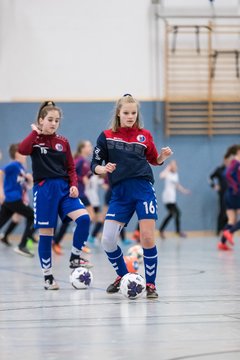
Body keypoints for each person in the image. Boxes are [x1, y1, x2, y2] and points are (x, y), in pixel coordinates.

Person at [91, 94, 173, 298]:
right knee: (108, 240)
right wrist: (103, 168)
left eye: (133, 113)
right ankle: (124, 276)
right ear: (118, 113)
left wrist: (163, 156)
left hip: (143, 188)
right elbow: (95, 165)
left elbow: (154, 159)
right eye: (126, 113)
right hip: (120, 193)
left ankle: (151, 285)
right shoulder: (106, 136)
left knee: (147, 237)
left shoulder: (144, 135)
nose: (130, 116)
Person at [18, 101, 91, 290]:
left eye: (56, 120)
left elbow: (70, 167)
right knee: (46, 235)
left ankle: (75, 258)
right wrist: (35, 132)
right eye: (50, 119)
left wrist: (74, 185)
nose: (53, 123)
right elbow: (22, 150)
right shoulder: (34, 140)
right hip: (44, 191)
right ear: (41, 120)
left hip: (65, 189)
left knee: (84, 219)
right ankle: (48, 276)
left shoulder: (63, 142)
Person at [52, 140, 93, 255]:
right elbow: (71, 172)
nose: (91, 148)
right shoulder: (79, 160)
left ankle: (78, 240)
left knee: (89, 218)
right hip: (75, 192)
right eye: (88, 146)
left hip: (83, 193)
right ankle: (57, 242)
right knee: (71, 220)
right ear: (82, 148)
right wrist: (81, 179)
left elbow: (87, 175)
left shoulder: (87, 162)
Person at [0, 143, 34, 256]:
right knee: (33, 216)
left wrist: (28, 179)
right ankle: (22, 245)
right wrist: (1, 191)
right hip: (12, 198)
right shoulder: (14, 165)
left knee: (2, 220)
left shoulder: (21, 167)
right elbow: (0, 172)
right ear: (16, 154)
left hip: (14, 199)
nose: (25, 155)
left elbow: (25, 184)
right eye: (22, 153)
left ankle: (21, 244)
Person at [158, 160, 190, 239]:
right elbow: (161, 176)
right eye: (172, 165)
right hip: (167, 198)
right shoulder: (167, 173)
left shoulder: (175, 174)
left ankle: (161, 230)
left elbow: (177, 185)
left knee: (172, 214)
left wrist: (184, 191)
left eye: (175, 165)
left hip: (172, 197)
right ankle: (177, 231)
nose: (174, 166)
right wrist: (167, 168)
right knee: (177, 213)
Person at [218, 145, 240, 250]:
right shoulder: (236, 162)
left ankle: (222, 243)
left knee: (231, 220)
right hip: (234, 194)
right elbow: (226, 174)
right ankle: (230, 232)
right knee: (232, 219)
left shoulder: (235, 162)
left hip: (231, 193)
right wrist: (235, 186)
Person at [209, 153, 232, 235]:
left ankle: (226, 230)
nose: (227, 161)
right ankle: (219, 231)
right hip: (222, 194)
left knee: (229, 213)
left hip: (230, 194)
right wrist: (214, 186)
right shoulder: (219, 170)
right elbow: (210, 177)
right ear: (224, 160)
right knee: (222, 212)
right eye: (226, 160)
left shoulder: (231, 169)